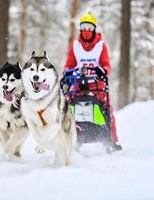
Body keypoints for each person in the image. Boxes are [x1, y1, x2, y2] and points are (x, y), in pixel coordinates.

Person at [63, 11, 122, 150]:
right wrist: (66, 73)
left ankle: (112, 139)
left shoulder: (101, 46)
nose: (87, 31)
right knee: (66, 107)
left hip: (97, 84)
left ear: (94, 29)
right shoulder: (75, 46)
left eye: (90, 27)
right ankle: (67, 137)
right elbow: (69, 64)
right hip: (78, 83)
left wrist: (103, 70)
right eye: (84, 27)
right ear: (80, 29)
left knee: (107, 109)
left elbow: (106, 65)